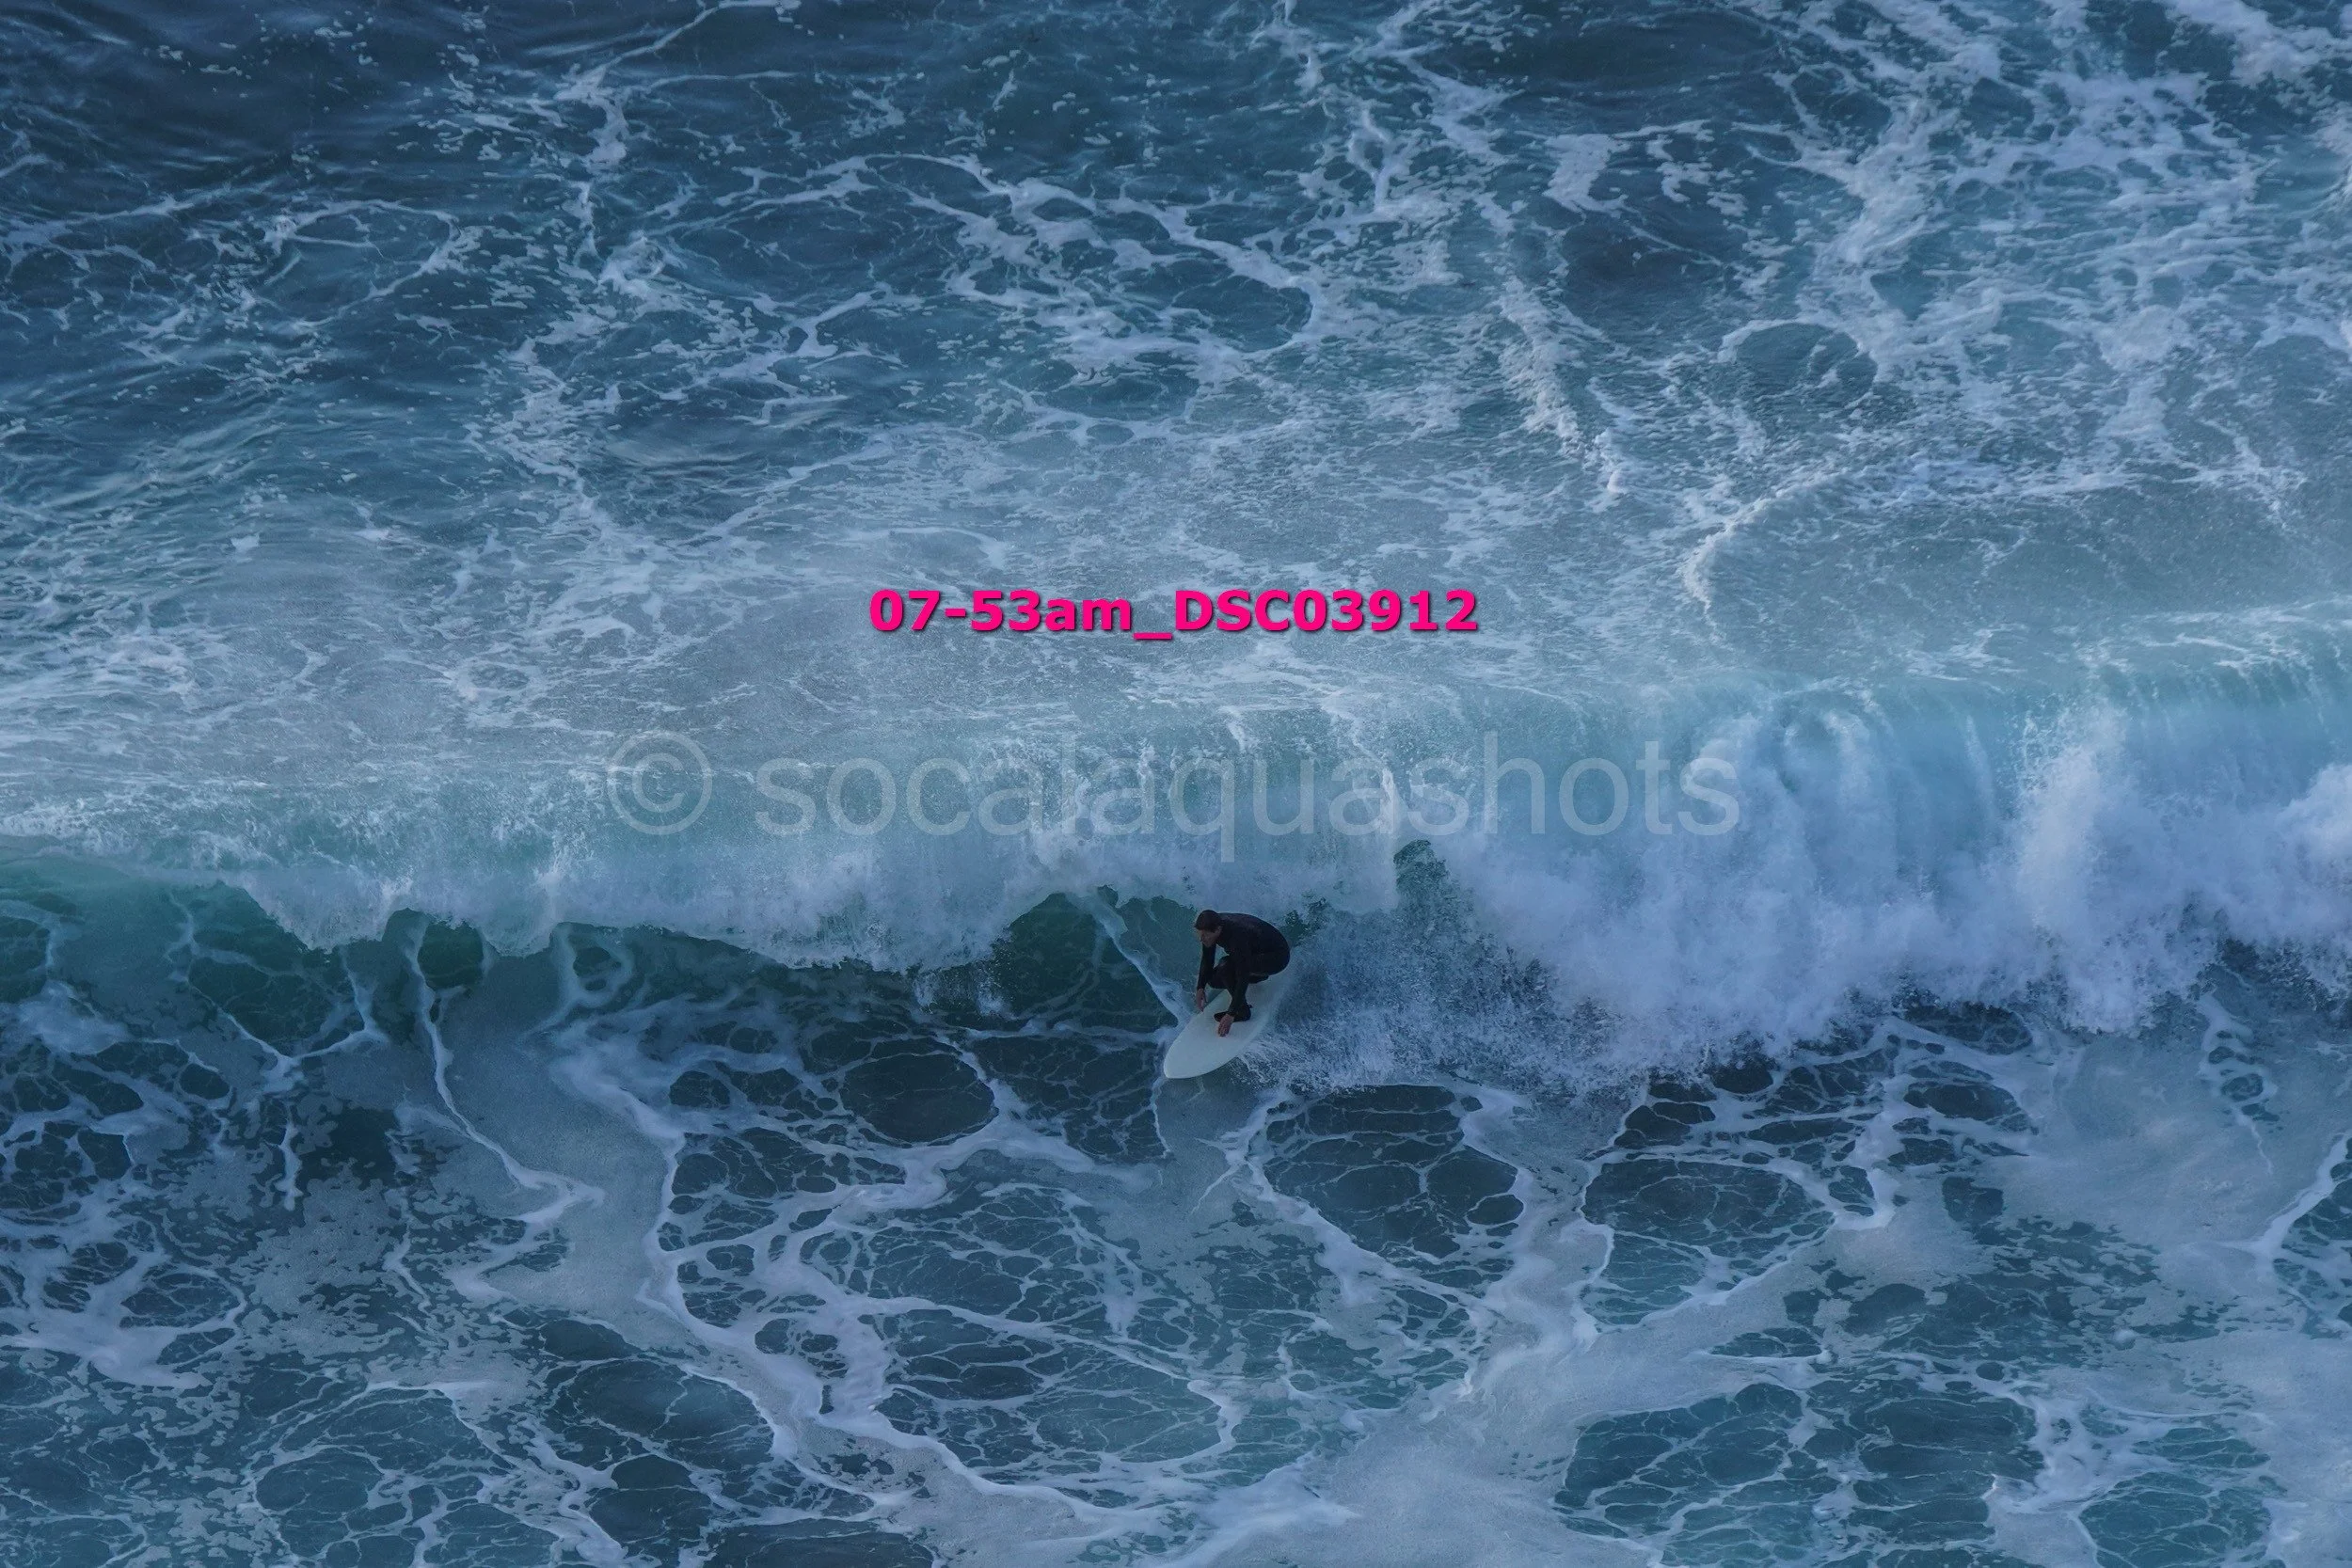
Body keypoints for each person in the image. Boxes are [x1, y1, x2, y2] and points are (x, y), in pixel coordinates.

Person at [1192, 910, 1290, 1037]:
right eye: (1200, 935)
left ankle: (1243, 1012)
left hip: (1277, 958)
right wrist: (1200, 986)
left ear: (1217, 930)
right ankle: (1257, 976)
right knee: (1212, 980)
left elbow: (1242, 974)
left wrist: (1231, 1013)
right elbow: (1207, 958)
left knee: (1225, 967)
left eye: (1204, 935)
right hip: (1256, 951)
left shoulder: (1236, 936)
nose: (1201, 939)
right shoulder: (1212, 925)